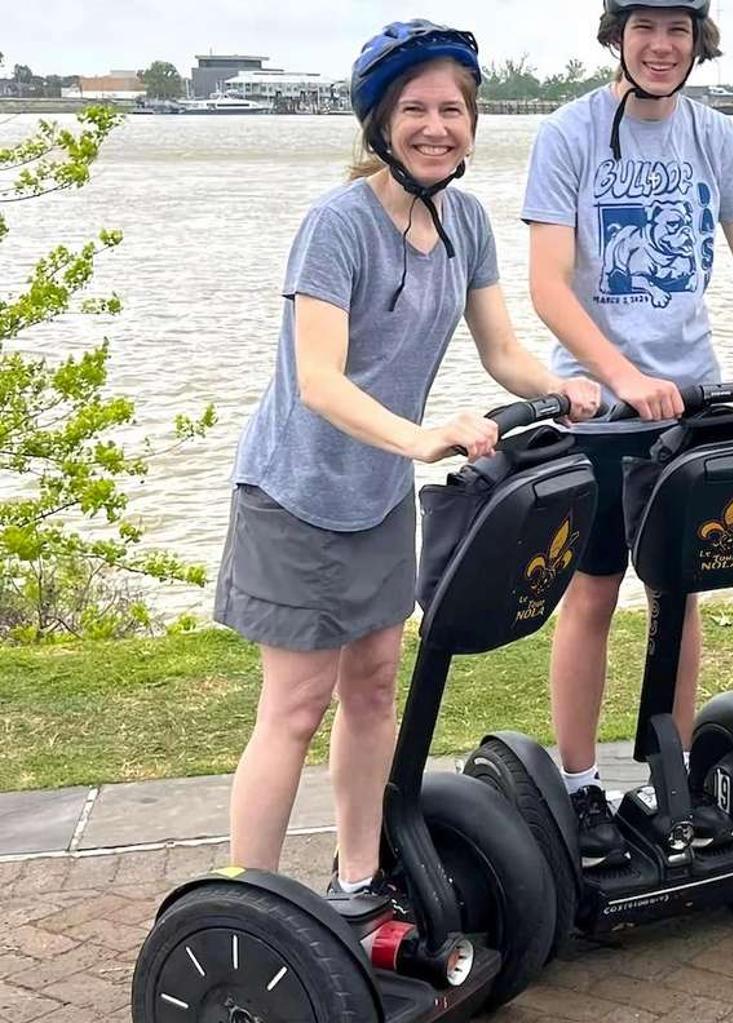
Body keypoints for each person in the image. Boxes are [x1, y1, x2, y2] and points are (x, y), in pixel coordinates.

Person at [219, 20, 601, 893]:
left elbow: (501, 348)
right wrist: (420, 436)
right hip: (296, 491)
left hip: (379, 492)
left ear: (472, 123)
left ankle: (359, 880)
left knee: (374, 687)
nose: (437, 127)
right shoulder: (337, 225)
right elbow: (319, 380)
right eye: (416, 110)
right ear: (381, 124)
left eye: (453, 110)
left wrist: (563, 387)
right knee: (295, 706)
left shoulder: (466, 221)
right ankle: (246, 906)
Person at [524, 0, 733, 869]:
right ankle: (580, 785)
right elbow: (548, 285)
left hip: (691, 404)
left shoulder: (713, 136)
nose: (661, 45)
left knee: (679, 593)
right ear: (618, 36)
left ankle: (669, 776)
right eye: (644, 27)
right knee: (593, 592)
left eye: (677, 30)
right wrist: (620, 376)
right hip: (601, 411)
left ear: (697, 42)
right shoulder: (569, 134)